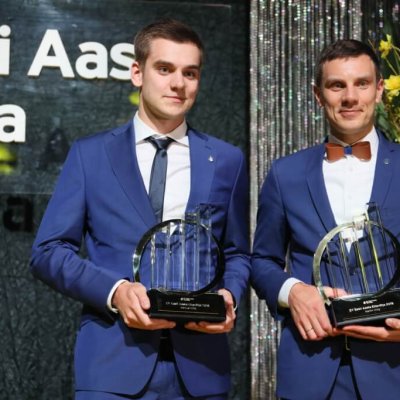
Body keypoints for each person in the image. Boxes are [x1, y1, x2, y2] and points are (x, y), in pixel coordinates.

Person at [30, 18, 250, 400]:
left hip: (201, 370)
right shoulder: (90, 154)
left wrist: (229, 294)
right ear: (137, 72)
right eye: (164, 69)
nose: (178, 83)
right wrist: (114, 291)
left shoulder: (227, 160)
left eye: (190, 73)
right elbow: (48, 252)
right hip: (112, 367)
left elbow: (236, 253)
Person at [251, 39, 400, 400]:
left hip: (392, 370)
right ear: (318, 95)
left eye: (361, 83)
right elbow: (261, 261)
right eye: (337, 85)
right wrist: (292, 291)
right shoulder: (285, 174)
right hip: (309, 371)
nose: (350, 97)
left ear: (379, 89)